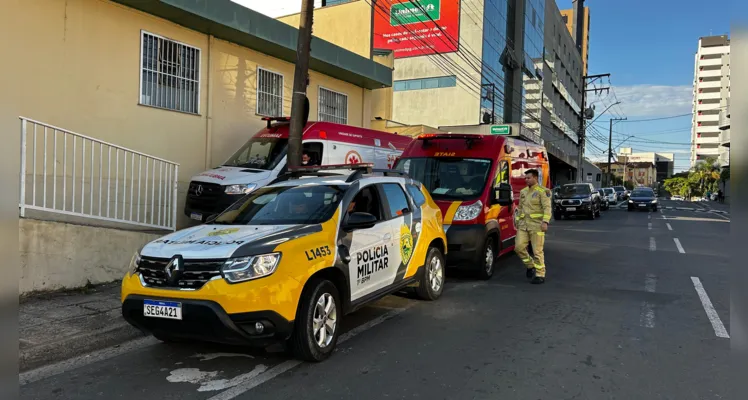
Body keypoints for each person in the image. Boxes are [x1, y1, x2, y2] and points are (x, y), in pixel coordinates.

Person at [514, 169, 552, 284]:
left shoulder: (543, 191)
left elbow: (547, 208)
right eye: (525, 178)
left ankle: (540, 274)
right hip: (523, 225)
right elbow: (520, 208)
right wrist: (517, 221)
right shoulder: (523, 192)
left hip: (537, 226)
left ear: (535, 178)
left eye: (528, 178)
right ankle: (530, 265)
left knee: (537, 251)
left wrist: (545, 222)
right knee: (518, 247)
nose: (526, 180)